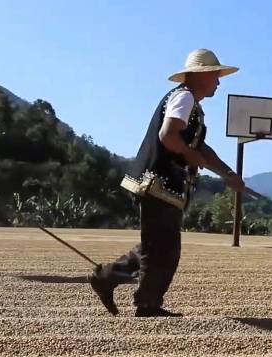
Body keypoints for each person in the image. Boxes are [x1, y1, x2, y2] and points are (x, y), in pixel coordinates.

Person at [89, 49, 247, 317]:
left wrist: (227, 174)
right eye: (215, 76)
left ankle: (107, 277)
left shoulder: (190, 103)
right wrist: (188, 154)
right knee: (165, 249)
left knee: (156, 245)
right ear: (200, 76)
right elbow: (168, 135)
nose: (218, 82)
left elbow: (200, 147)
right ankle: (147, 304)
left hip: (161, 185)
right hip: (158, 183)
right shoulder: (184, 98)